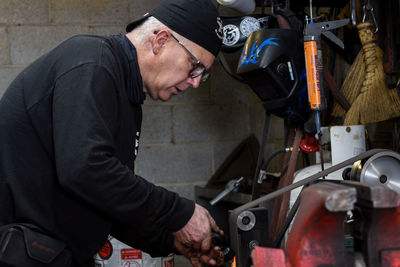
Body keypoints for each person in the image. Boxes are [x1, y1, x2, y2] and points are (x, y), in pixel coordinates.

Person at [0, 0, 225, 266]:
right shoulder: (92, 62)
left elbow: (108, 200)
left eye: (203, 75)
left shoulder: (126, 97)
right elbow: (83, 169)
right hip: (20, 253)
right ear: (161, 40)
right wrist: (179, 212)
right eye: (195, 65)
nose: (196, 82)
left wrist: (170, 239)